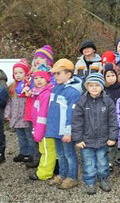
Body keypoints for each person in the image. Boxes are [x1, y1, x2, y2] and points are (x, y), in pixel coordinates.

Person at [72, 73, 118, 194]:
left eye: (97, 85)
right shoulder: (82, 102)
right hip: (86, 141)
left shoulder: (108, 102)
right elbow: (76, 121)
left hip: (103, 140)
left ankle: (103, 179)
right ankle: (90, 182)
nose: (94, 88)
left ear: (102, 86)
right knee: (89, 163)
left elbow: (113, 120)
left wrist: (113, 137)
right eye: (91, 85)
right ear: (86, 86)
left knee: (102, 162)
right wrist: (78, 139)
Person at [46, 59, 83, 189]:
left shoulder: (73, 92)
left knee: (69, 154)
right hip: (56, 129)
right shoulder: (56, 88)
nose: (55, 76)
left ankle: (72, 177)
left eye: (58, 73)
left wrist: (68, 131)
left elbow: (71, 114)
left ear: (68, 74)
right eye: (54, 74)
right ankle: (62, 174)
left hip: (65, 130)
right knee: (60, 154)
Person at [27, 66, 56, 182]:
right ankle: (52, 169)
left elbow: (42, 115)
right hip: (42, 128)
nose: (38, 80)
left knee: (46, 151)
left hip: (45, 129)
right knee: (49, 150)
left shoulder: (45, 94)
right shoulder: (38, 93)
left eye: (41, 78)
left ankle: (44, 173)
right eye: (36, 78)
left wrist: (39, 131)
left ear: (47, 79)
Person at [5, 58, 34, 163]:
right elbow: (9, 101)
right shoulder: (12, 86)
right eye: (15, 73)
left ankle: (32, 154)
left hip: (25, 116)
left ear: (26, 73)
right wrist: (8, 114)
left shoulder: (28, 85)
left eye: (21, 72)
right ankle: (23, 152)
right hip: (16, 117)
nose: (18, 75)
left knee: (29, 136)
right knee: (21, 137)